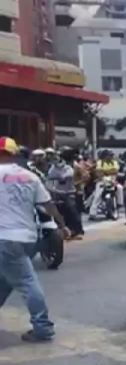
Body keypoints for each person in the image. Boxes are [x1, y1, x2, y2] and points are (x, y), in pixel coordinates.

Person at [0, 137, 69, 342]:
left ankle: (42, 327)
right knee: (5, 281)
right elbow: (47, 204)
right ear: (14, 154)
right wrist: (62, 225)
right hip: (28, 238)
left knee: (27, 282)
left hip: (3, 237)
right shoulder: (30, 176)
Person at [45, 148, 85, 239]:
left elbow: (70, 176)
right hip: (56, 193)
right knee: (55, 211)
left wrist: (77, 184)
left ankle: (77, 230)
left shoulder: (71, 166)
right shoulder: (52, 168)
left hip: (70, 192)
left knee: (72, 210)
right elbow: (49, 179)